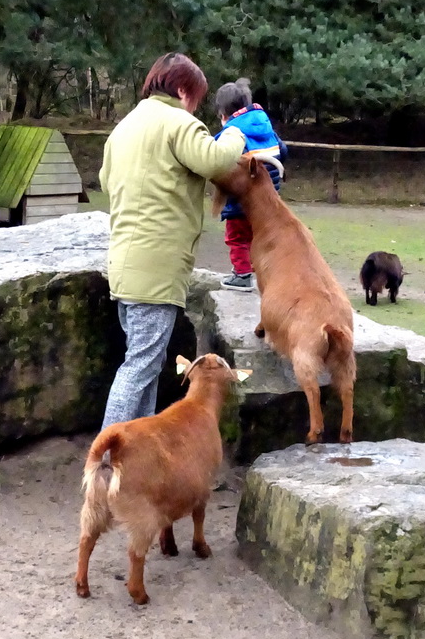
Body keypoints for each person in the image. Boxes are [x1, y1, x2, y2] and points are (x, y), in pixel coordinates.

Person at [99, 52, 246, 428]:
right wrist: (235, 131)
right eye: (196, 96)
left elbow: (105, 181)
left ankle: (137, 451)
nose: (196, 105)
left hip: (123, 265)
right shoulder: (179, 123)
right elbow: (215, 161)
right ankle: (104, 455)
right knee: (138, 367)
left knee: (145, 364)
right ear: (182, 89)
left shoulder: (124, 128)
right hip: (157, 269)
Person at [214, 78, 288, 291]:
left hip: (242, 201)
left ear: (223, 114)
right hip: (269, 199)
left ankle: (242, 275)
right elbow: (283, 151)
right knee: (260, 237)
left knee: (237, 237)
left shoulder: (231, 133)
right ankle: (262, 272)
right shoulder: (266, 126)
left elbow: (215, 159)